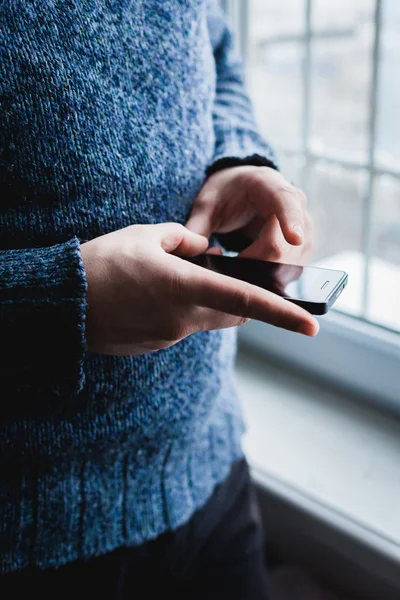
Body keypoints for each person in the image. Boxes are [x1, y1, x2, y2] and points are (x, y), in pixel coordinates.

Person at [0, 1, 318, 598]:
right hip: (25, 544)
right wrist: (59, 299)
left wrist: (233, 158)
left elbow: (217, 47)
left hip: (209, 480)